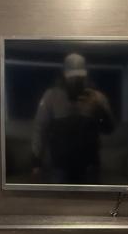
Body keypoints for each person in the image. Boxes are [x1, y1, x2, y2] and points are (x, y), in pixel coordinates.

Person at [31, 53, 115, 184]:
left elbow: (109, 129)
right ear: (64, 76)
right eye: (72, 77)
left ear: (85, 76)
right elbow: (40, 129)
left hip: (89, 167)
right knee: (58, 197)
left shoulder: (97, 98)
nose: (76, 81)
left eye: (79, 77)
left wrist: (98, 110)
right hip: (60, 167)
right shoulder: (51, 97)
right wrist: (36, 161)